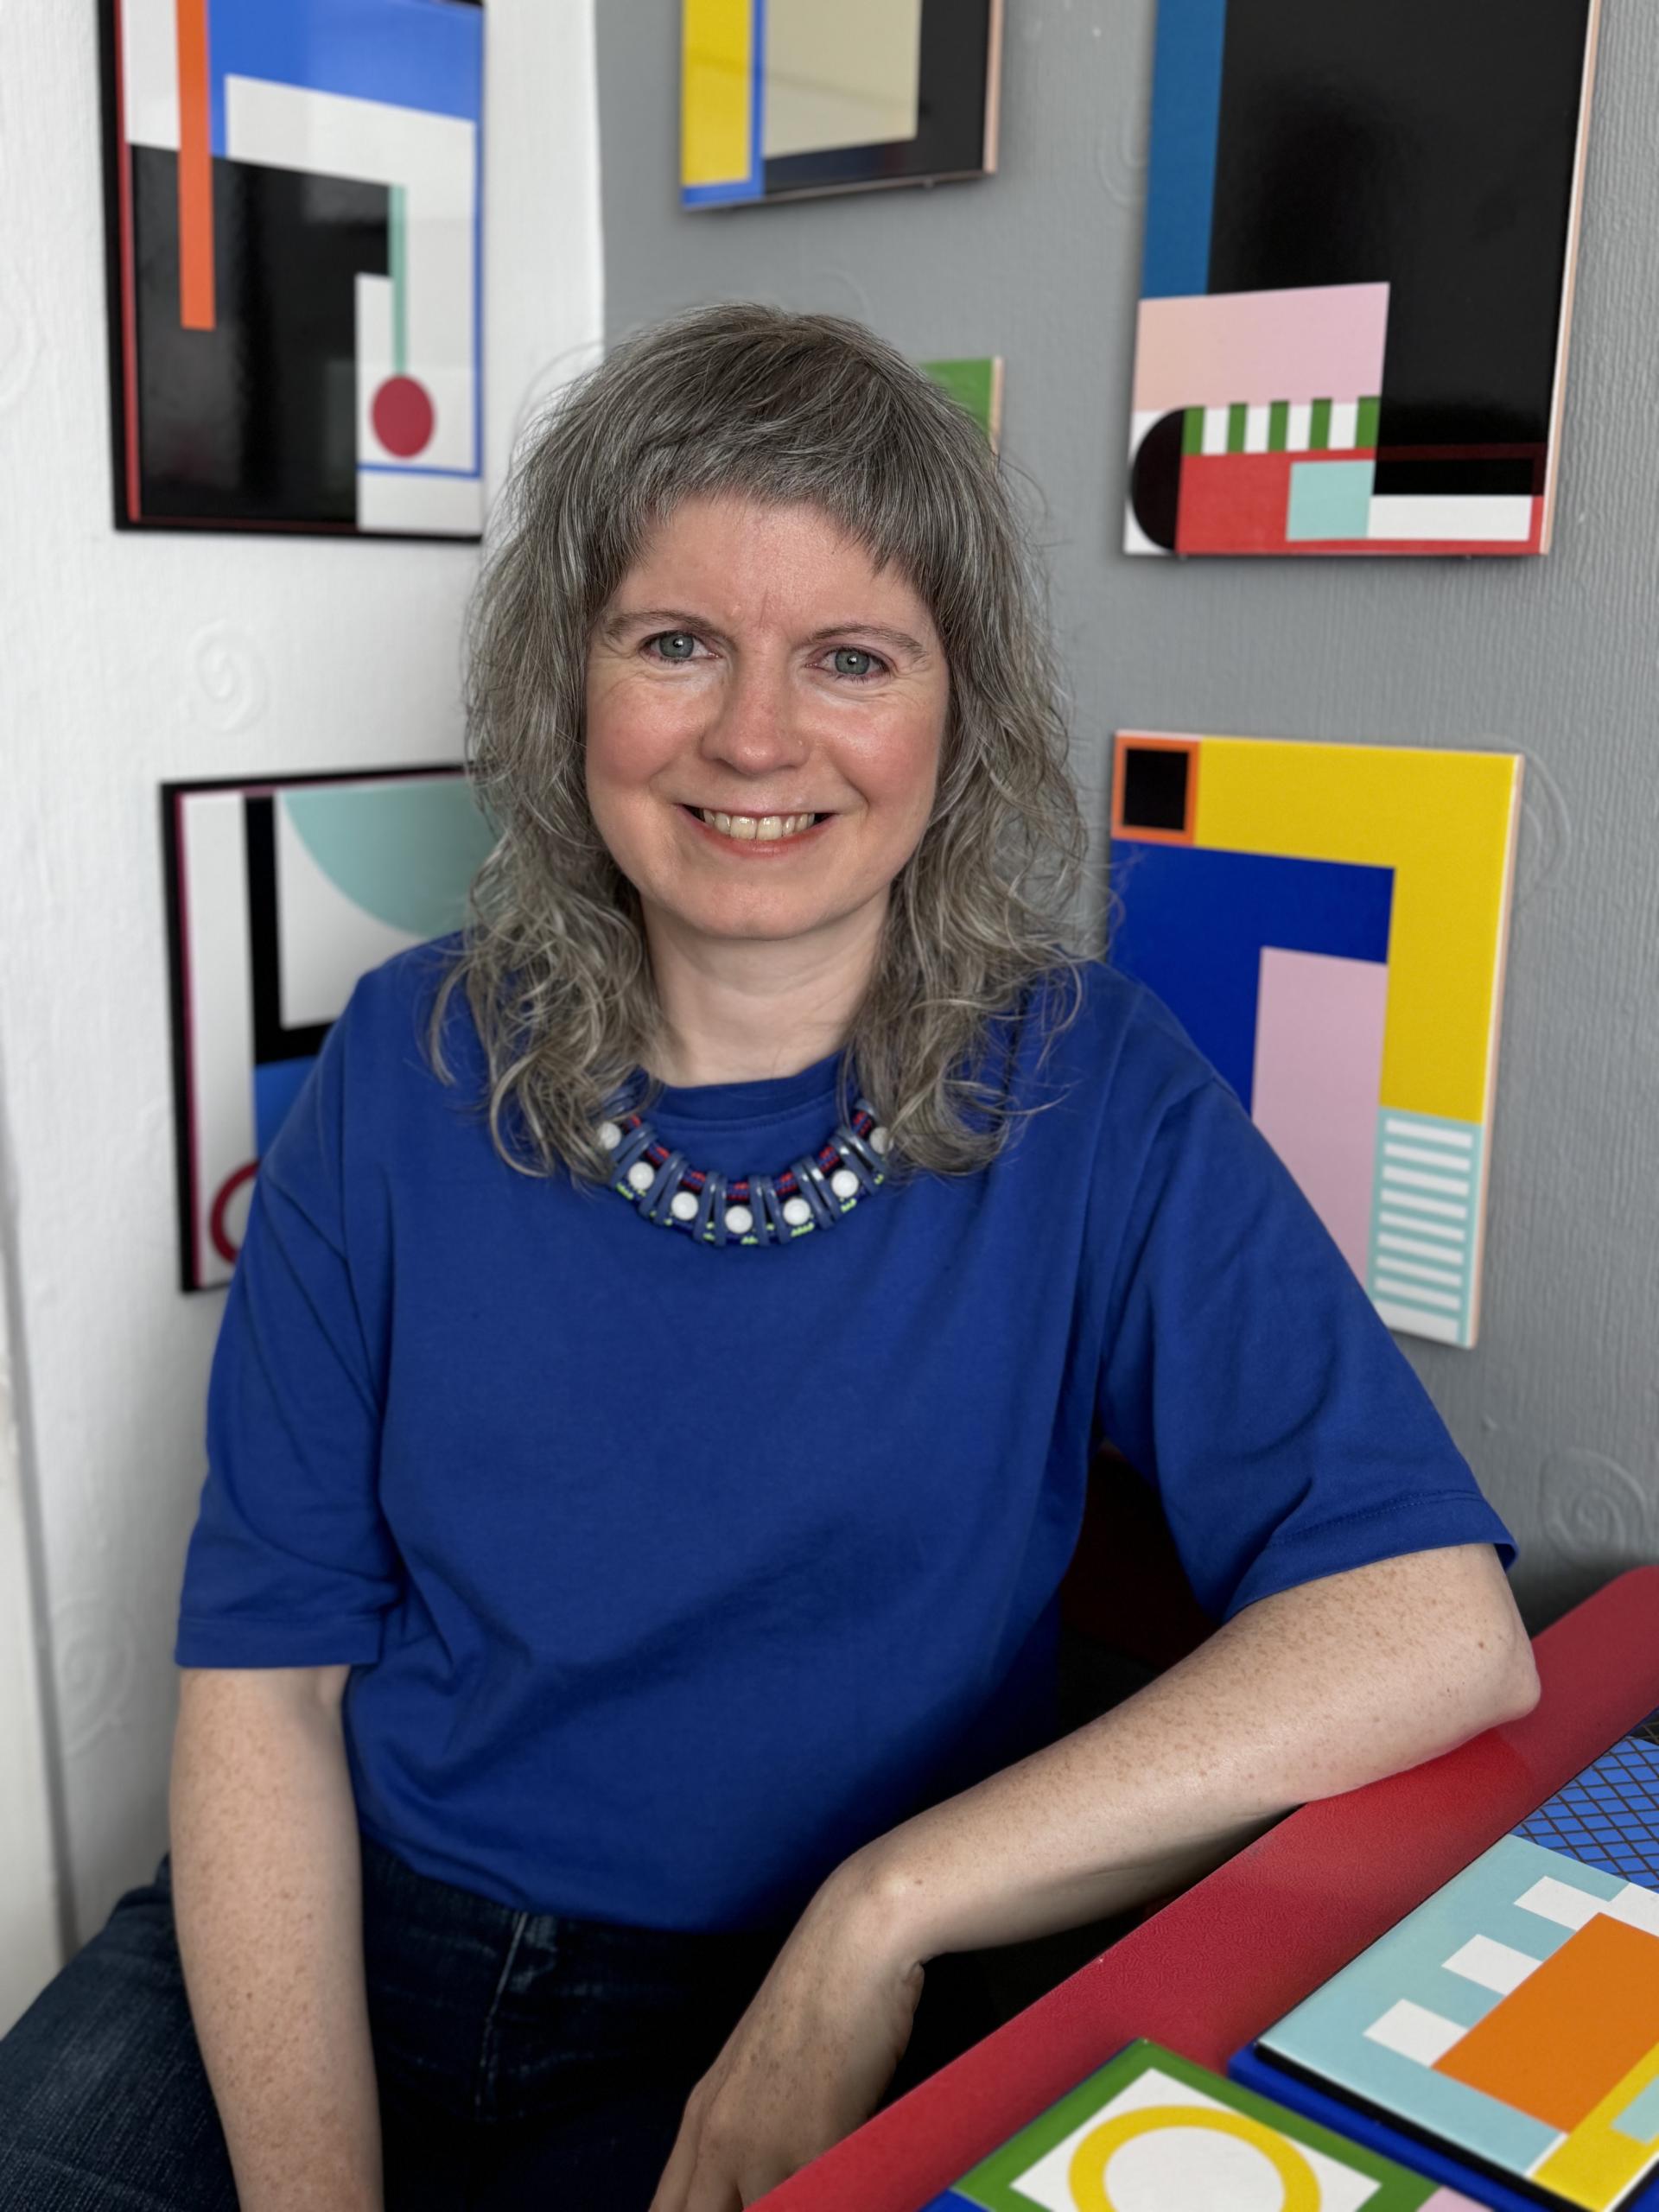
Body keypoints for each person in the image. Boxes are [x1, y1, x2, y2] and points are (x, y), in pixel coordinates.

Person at [0, 303, 1537, 2212]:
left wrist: (878, 1913)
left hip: (781, 1998)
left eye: (850, 655)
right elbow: (265, 1689)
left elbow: (1434, 1627)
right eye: (675, 643)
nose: (754, 733)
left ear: (952, 710)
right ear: (571, 685)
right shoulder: (398, 1070)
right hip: (339, 1922)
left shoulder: (1094, 1087)